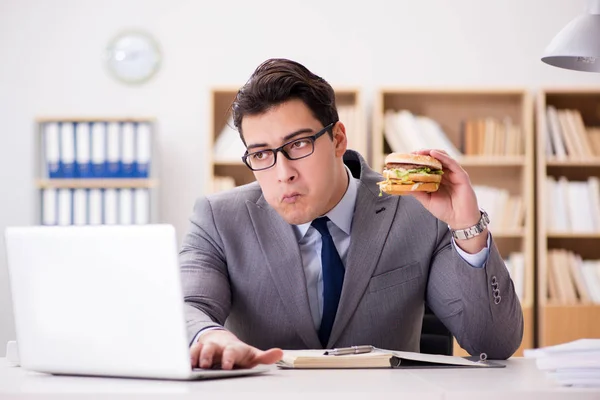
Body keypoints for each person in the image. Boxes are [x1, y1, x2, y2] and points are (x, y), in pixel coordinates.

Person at [180, 58, 523, 370]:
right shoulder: (218, 218)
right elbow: (185, 306)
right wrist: (209, 335)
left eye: (298, 144)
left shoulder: (419, 210)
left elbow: (493, 345)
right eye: (261, 154)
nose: (282, 172)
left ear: (338, 139)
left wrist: (467, 227)